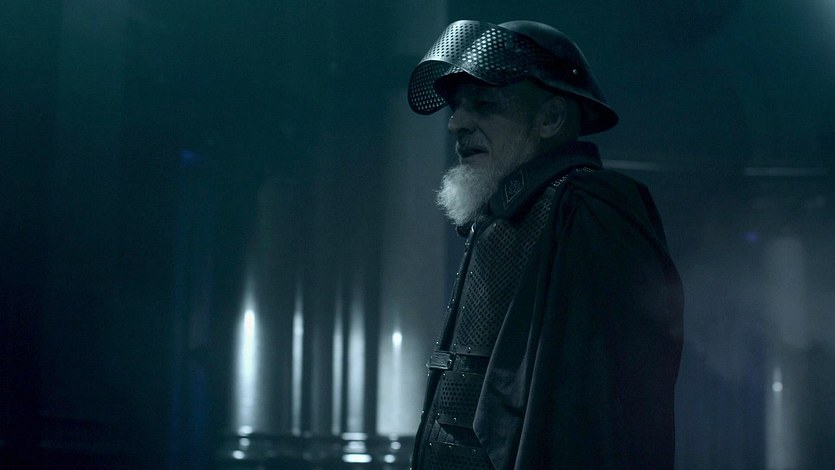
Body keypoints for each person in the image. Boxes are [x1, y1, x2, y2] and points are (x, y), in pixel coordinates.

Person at [407, 20, 684, 469]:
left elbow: (592, 416)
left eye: (484, 104)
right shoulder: (512, 210)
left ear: (550, 118)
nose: (455, 124)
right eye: (456, 107)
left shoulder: (587, 208)